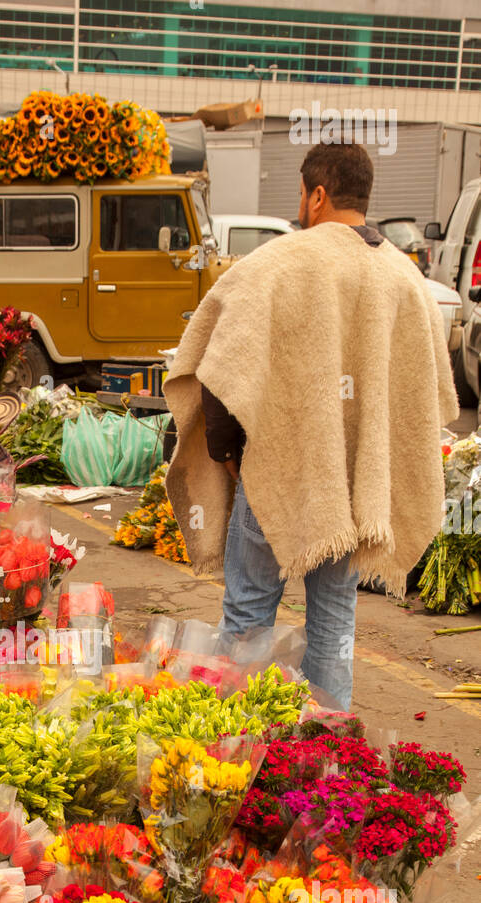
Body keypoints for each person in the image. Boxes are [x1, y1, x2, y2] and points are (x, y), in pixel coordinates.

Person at [163, 141, 458, 711]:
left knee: (248, 613)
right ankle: (329, 763)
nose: (301, 205)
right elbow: (422, 394)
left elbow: (222, 364)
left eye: (301, 193)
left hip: (278, 474)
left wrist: (226, 449)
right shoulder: (403, 279)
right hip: (352, 490)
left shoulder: (276, 265)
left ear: (317, 194)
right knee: (334, 623)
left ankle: (234, 750)